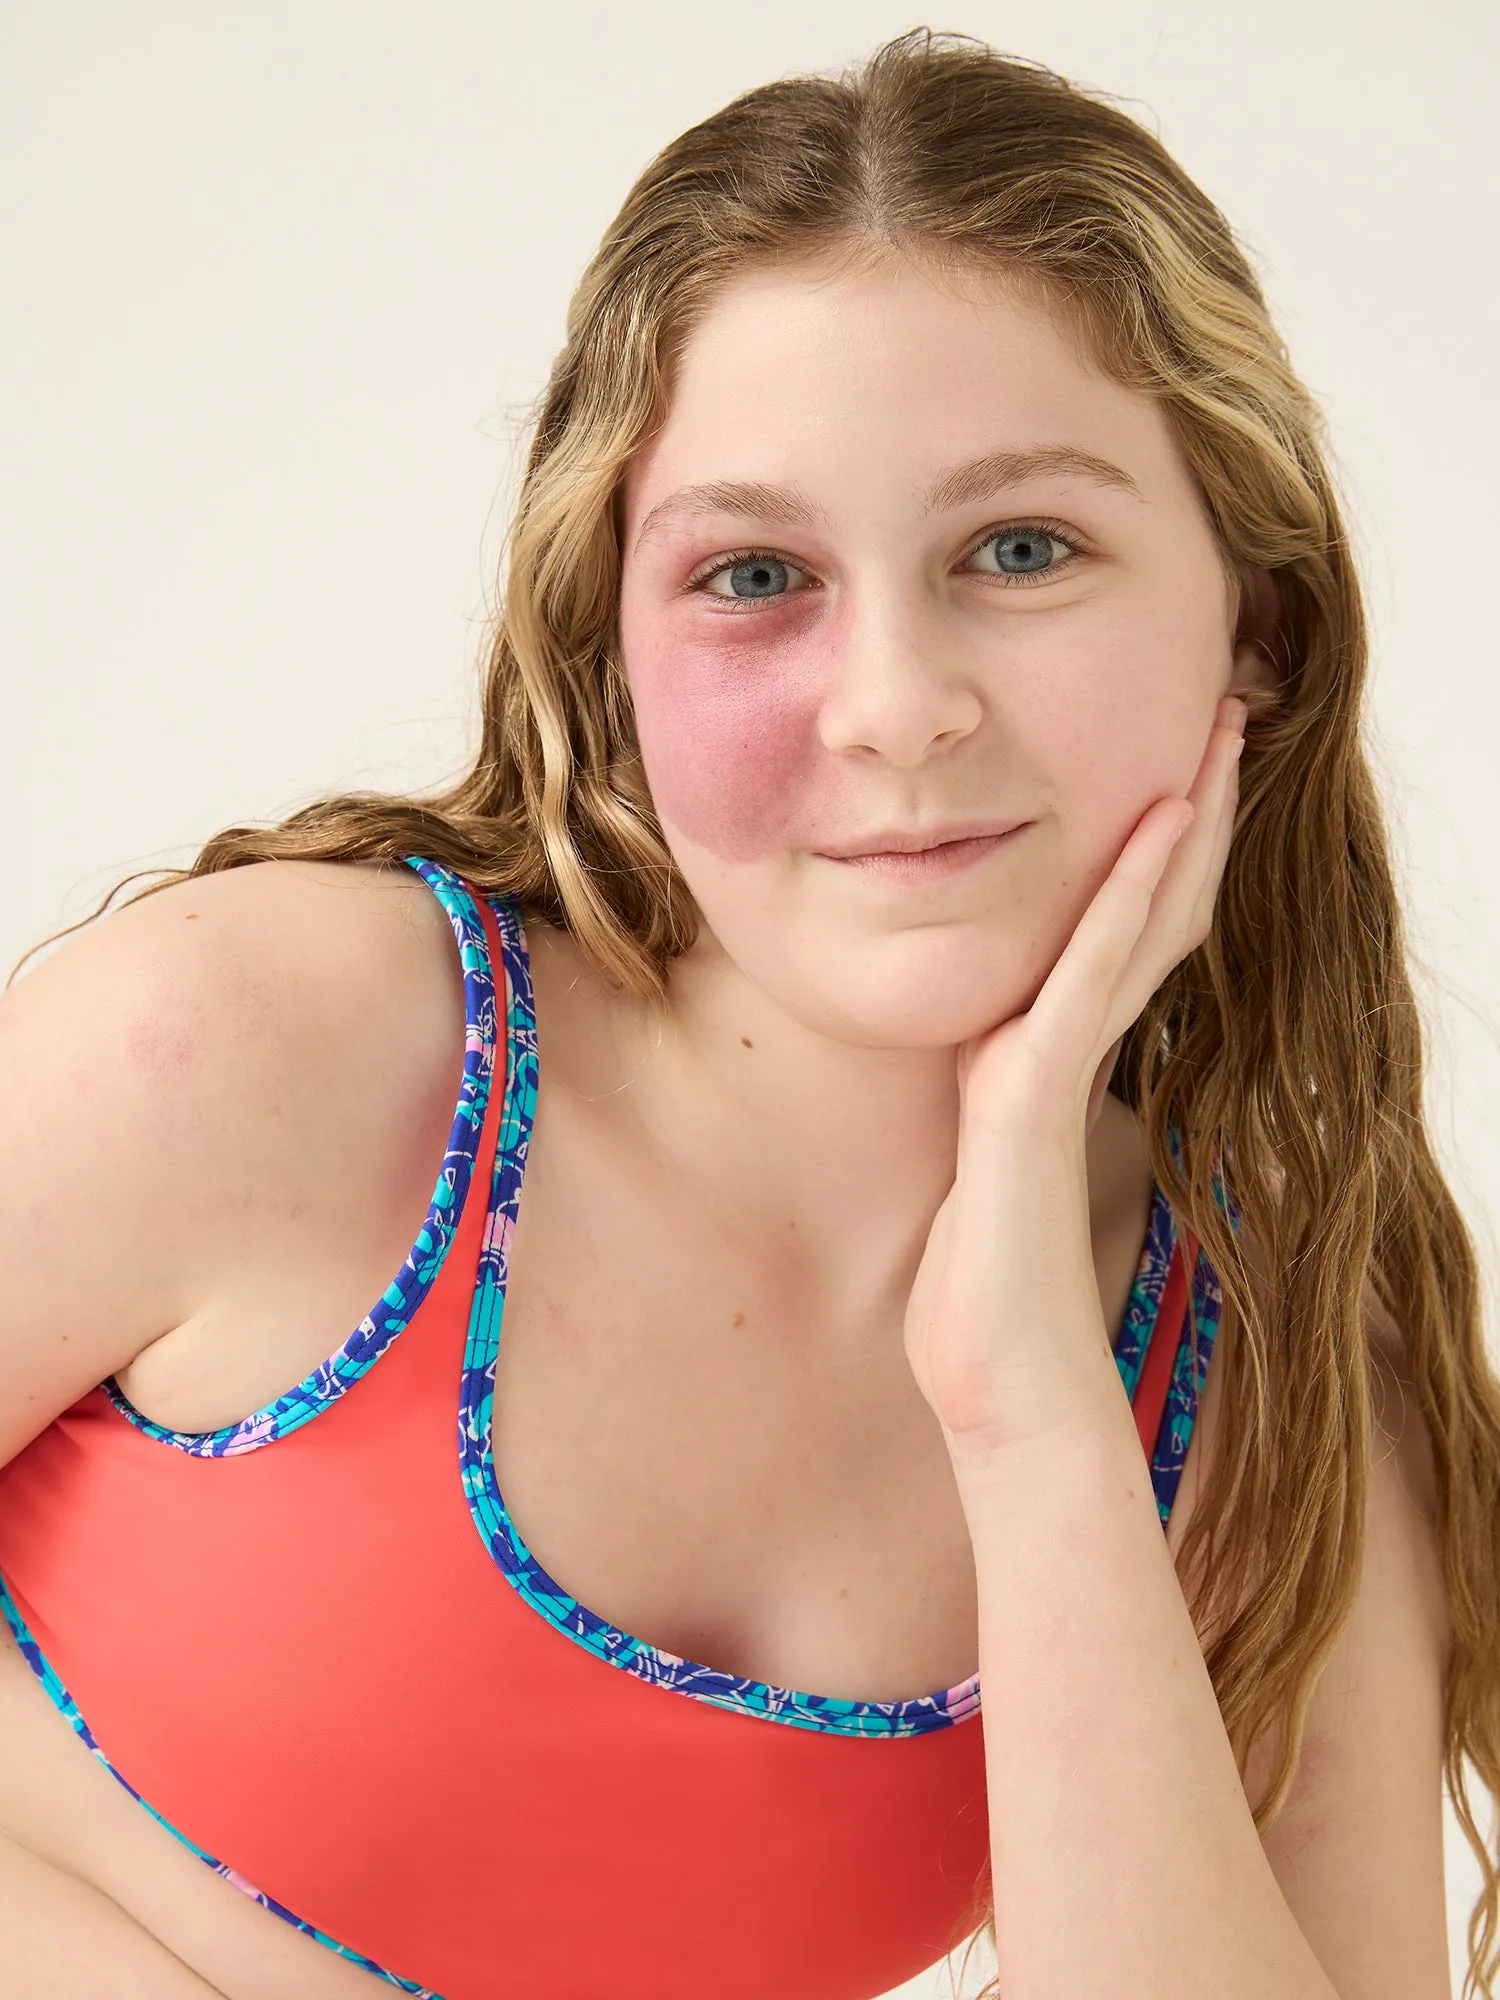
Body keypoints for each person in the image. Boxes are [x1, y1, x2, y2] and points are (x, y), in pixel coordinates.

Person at [0, 27, 1488, 2000]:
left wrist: (1031, 1395)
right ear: (605, 645)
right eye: (757, 571)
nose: (893, 701)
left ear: (1256, 623)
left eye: (1021, 547)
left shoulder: (1260, 1384)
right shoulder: (272, 1048)